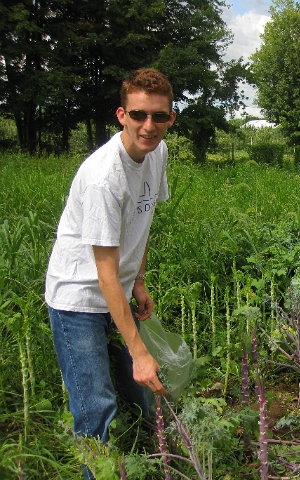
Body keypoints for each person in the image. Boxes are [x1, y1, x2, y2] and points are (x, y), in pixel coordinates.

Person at [45, 68, 175, 456]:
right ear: (122, 115)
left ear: (171, 118)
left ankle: (152, 465)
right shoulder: (105, 177)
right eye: (138, 115)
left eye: (159, 116)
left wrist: (137, 280)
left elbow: (144, 218)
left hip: (118, 287)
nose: (148, 126)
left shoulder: (158, 152)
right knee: (96, 408)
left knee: (142, 399)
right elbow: (102, 275)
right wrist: (139, 352)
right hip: (79, 297)